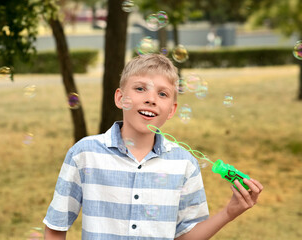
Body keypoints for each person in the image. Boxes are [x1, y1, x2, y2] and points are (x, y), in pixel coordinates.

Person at [43, 54, 263, 240]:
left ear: (171, 110)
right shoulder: (85, 153)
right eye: (140, 88)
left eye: (162, 94)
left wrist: (229, 212)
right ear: (120, 98)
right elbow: (55, 226)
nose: (151, 99)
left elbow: (186, 235)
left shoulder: (185, 164)